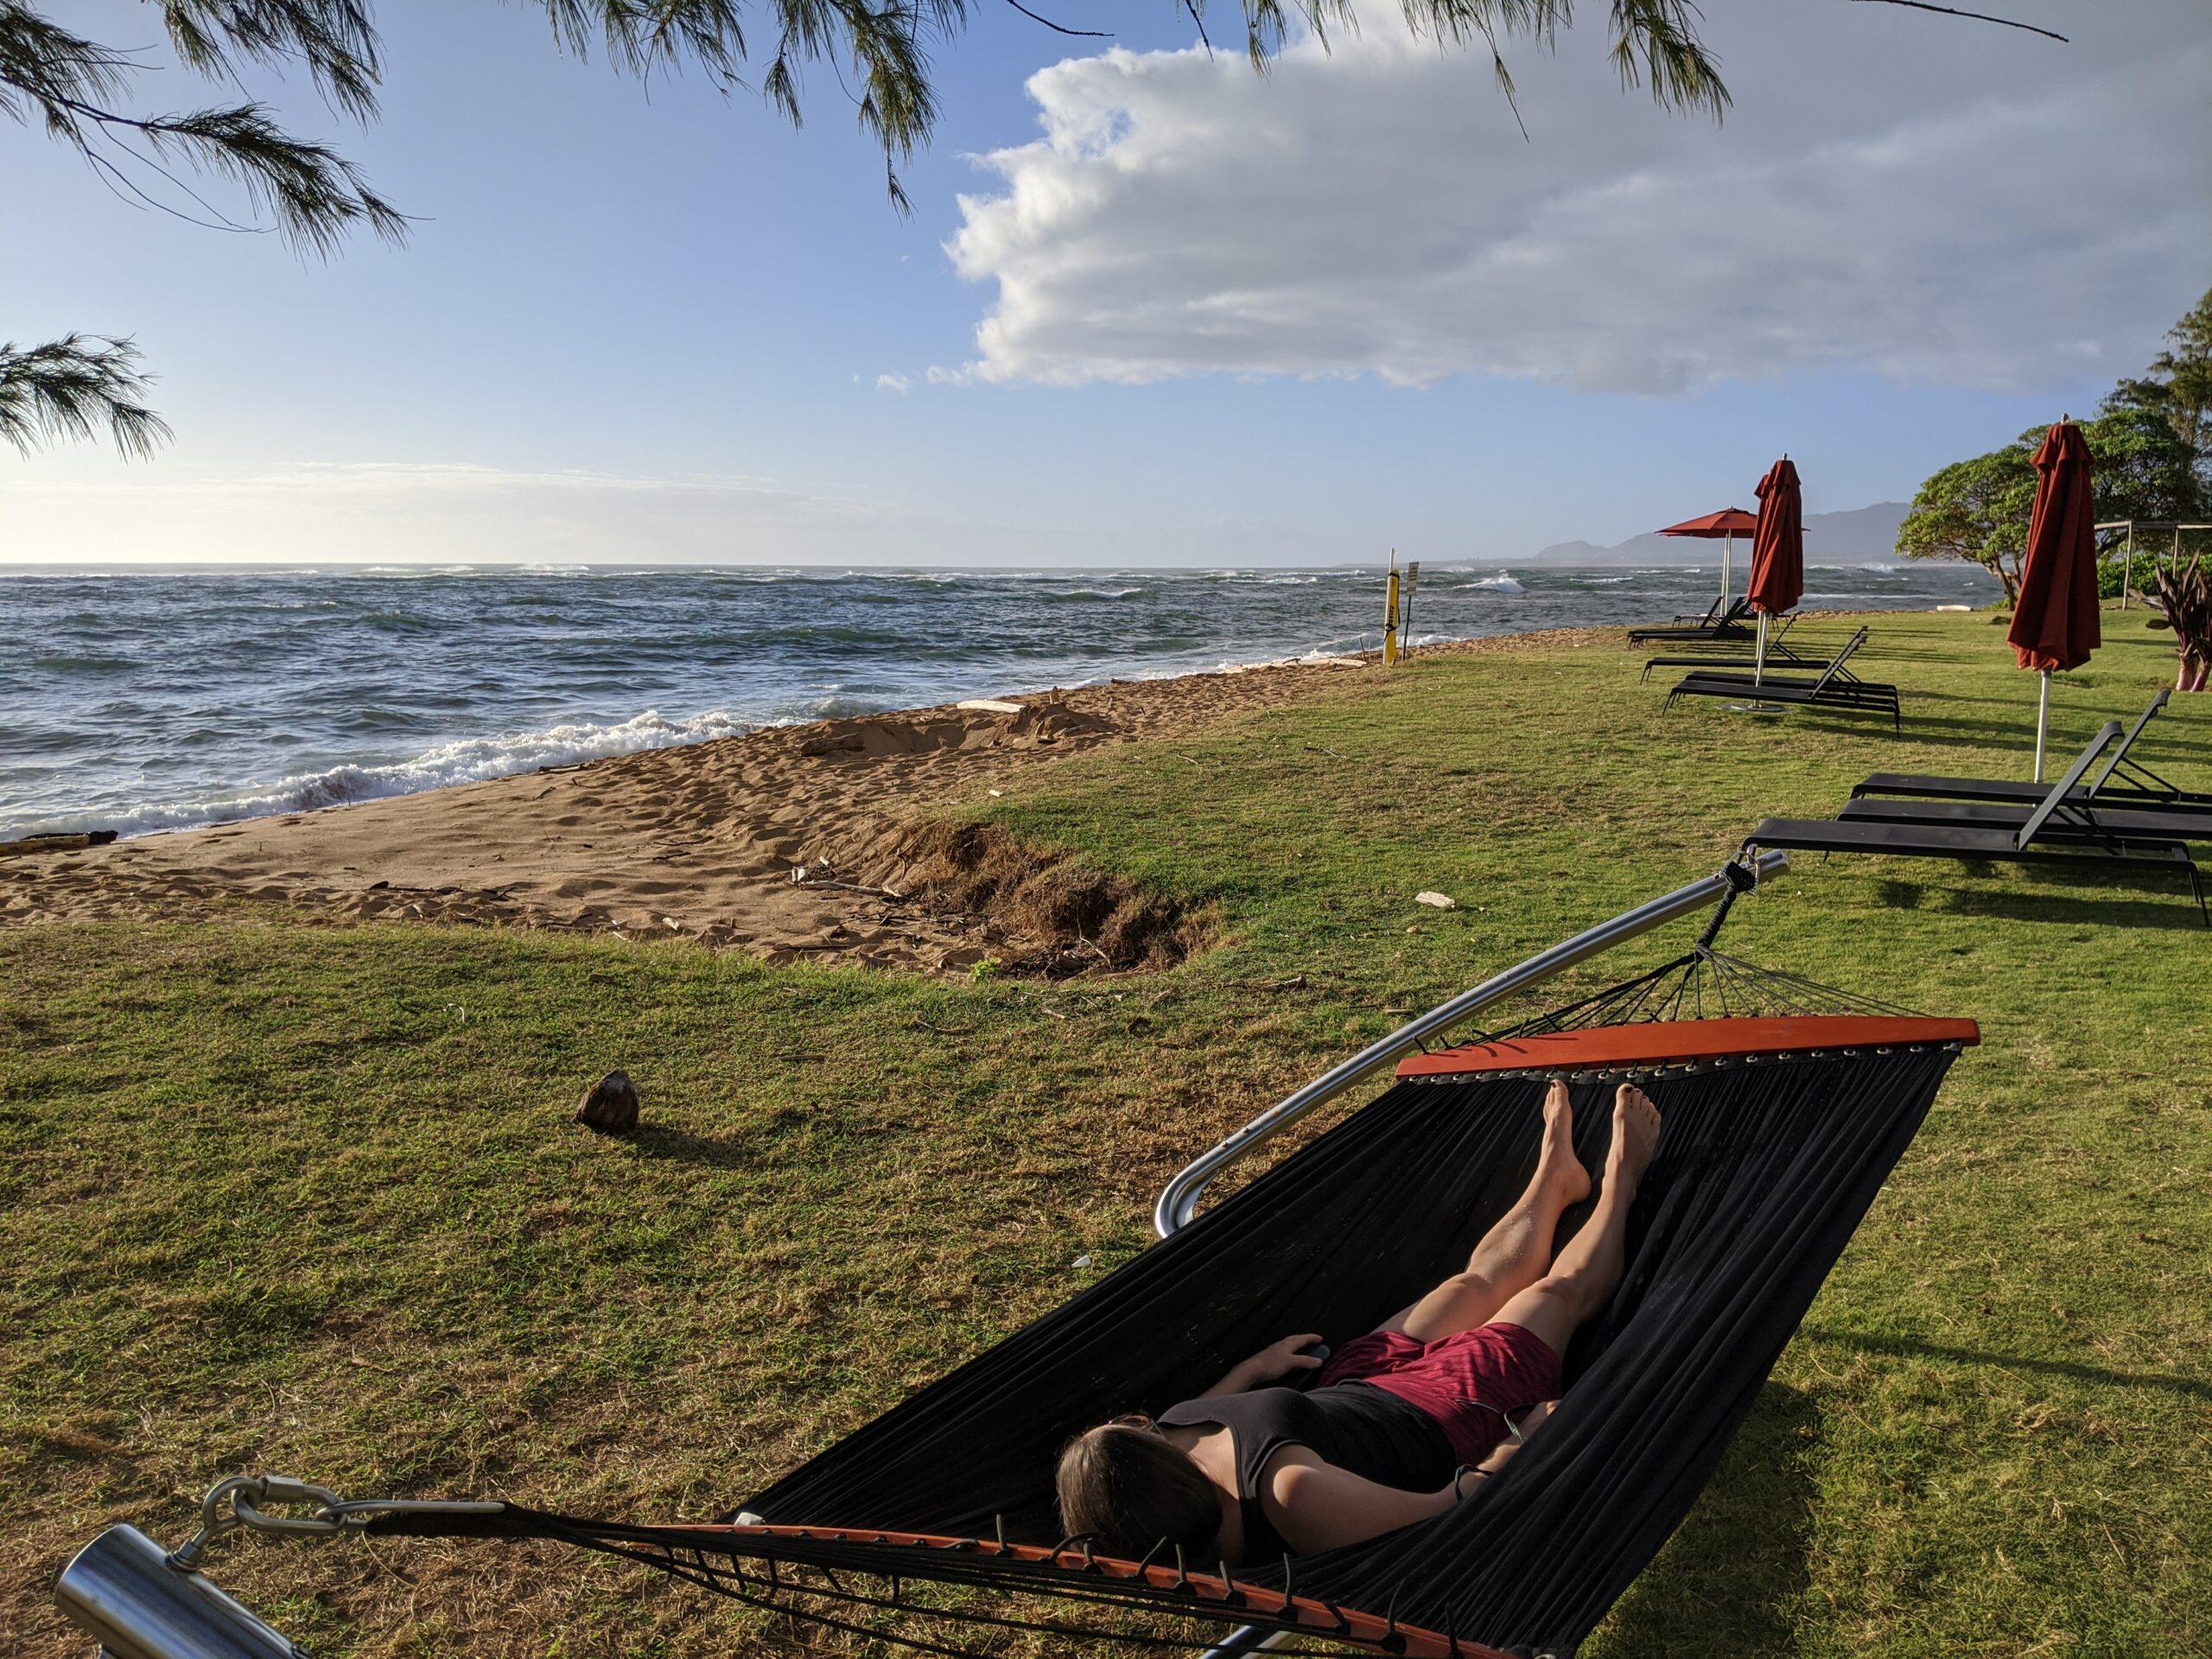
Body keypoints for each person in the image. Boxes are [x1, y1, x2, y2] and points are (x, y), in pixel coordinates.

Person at [1056, 1079, 1662, 1564]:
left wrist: (1253, 1368)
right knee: (1555, 1294)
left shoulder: (1166, 1445)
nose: (1134, 1422)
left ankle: (1553, 1179)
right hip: (1444, 1417)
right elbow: (1446, 1506)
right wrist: (1519, 1441)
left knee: (1473, 1283)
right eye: (1130, 1430)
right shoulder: (1295, 1496)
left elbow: (1206, 1407)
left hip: (1355, 1383)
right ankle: (1622, 1180)